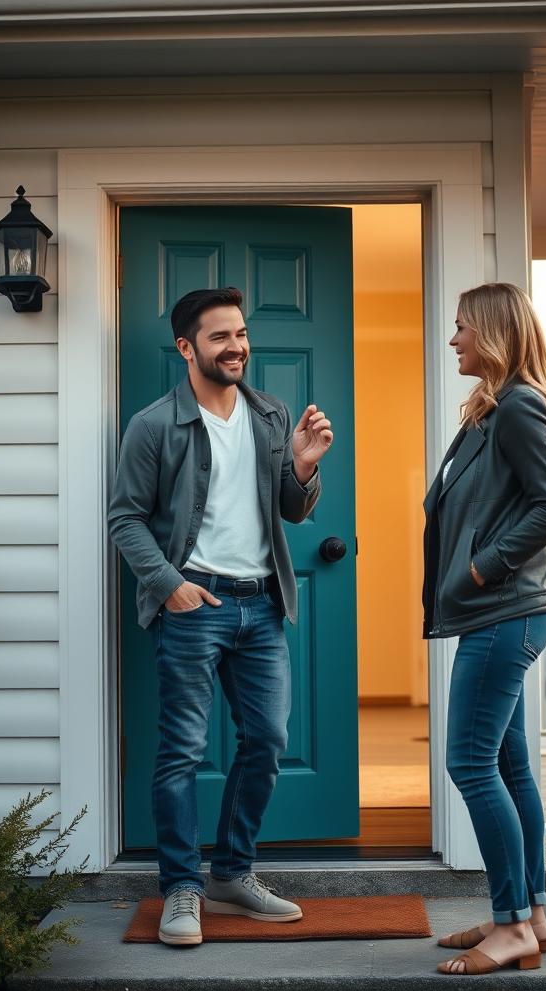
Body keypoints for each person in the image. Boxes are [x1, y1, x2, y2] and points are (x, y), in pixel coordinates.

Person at [109, 286, 333, 947]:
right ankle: (181, 887)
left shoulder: (271, 415)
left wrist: (302, 467)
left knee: (266, 741)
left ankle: (232, 875)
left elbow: (289, 510)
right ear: (186, 347)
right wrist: (168, 583)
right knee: (180, 750)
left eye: (240, 334)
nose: (236, 346)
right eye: (218, 337)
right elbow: (124, 515)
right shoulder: (154, 426)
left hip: (261, 604)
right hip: (194, 603)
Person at [422, 282, 546, 976]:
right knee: (509, 767)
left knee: (470, 764)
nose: (452, 339)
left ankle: (511, 925)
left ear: (489, 330)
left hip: (505, 612)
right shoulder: (491, 410)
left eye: (460, 328)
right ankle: (529, 914)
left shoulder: (517, 407)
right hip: (502, 613)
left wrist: (481, 569)